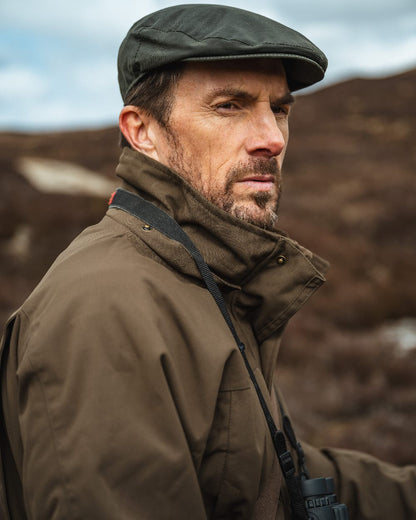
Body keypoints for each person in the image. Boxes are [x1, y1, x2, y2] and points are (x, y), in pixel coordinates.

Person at [0, 4, 415, 519]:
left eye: (279, 109)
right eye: (229, 106)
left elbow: (265, 478)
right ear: (142, 130)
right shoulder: (107, 309)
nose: (273, 138)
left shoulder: (204, 276)